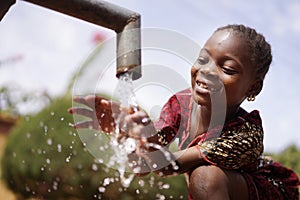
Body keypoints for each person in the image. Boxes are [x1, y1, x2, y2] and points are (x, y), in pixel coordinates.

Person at [69, 24, 300, 199]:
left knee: (205, 176)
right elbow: (142, 166)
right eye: (203, 59)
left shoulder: (246, 132)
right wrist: (128, 134)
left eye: (227, 68)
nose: (207, 71)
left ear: (253, 87)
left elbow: (168, 165)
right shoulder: (180, 104)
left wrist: (150, 145)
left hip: (268, 193)